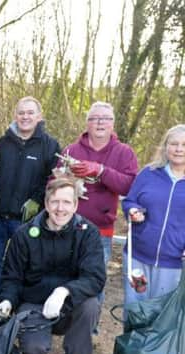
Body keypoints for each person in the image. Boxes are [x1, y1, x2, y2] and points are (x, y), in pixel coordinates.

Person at [0, 177, 106, 354]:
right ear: (46, 204)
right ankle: (33, 347)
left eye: (66, 202)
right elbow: (12, 276)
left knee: (91, 305)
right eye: (55, 202)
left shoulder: (88, 233)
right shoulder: (25, 234)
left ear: (75, 205)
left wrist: (64, 291)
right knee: (34, 352)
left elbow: (95, 277)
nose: (60, 208)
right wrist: (7, 299)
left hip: (68, 305)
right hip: (34, 303)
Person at [0, 96, 60, 302]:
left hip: (27, 219)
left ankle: (16, 297)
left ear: (39, 116)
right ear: (15, 115)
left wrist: (37, 199)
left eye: (30, 113)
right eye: (21, 112)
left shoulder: (50, 146)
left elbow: (53, 180)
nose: (25, 117)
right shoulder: (1, 143)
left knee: (20, 260)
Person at [61, 101, 138, 271]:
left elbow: (130, 187)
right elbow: (53, 183)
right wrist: (68, 182)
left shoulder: (124, 152)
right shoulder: (71, 151)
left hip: (100, 231)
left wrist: (101, 171)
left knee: (93, 281)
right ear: (87, 123)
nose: (100, 122)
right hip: (67, 226)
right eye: (94, 118)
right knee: (61, 277)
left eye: (105, 118)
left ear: (113, 124)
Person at [121, 124, 185, 306]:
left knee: (161, 317)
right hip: (137, 258)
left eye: (184, 144)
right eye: (174, 144)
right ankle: (131, 336)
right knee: (135, 311)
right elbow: (129, 201)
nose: (179, 149)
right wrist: (132, 211)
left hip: (173, 264)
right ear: (165, 147)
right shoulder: (149, 174)